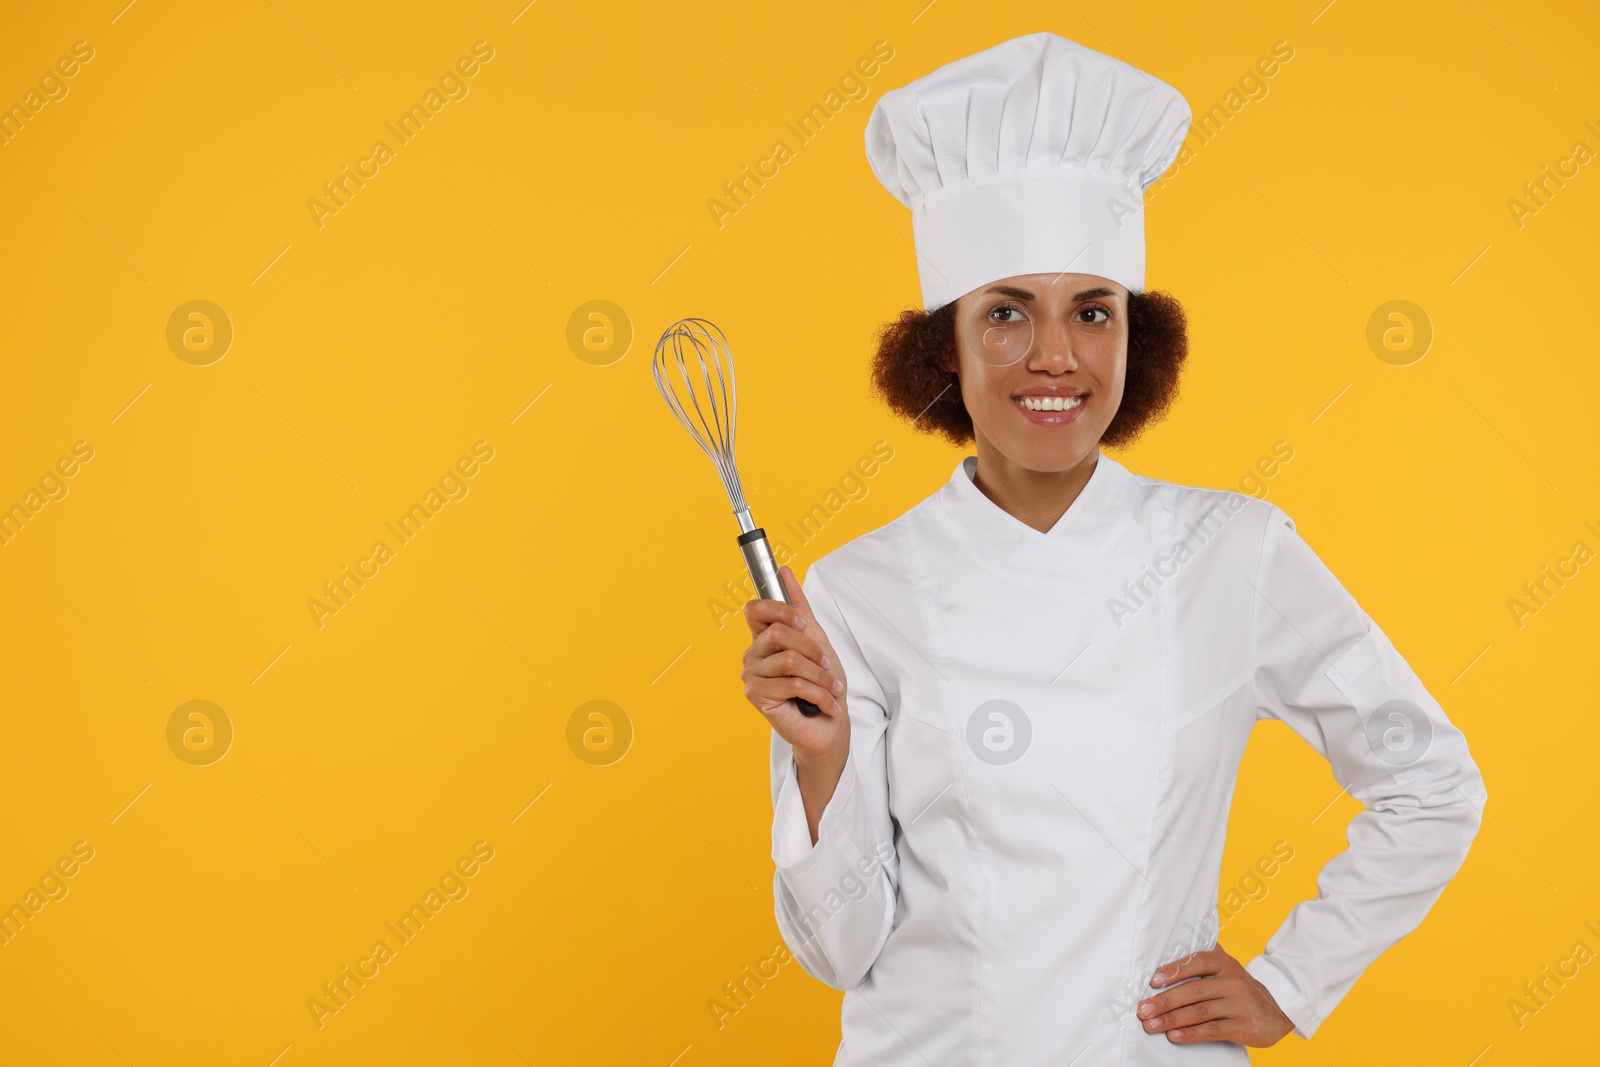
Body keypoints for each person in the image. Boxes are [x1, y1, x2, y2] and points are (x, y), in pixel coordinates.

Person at [739, 31, 1487, 1066]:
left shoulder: (1233, 551)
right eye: (1004, 314)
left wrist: (1290, 979)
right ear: (942, 351)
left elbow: (1431, 781)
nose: (1054, 354)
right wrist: (820, 763)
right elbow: (839, 948)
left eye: (1091, 311)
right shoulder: (860, 589)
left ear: (1137, 338)